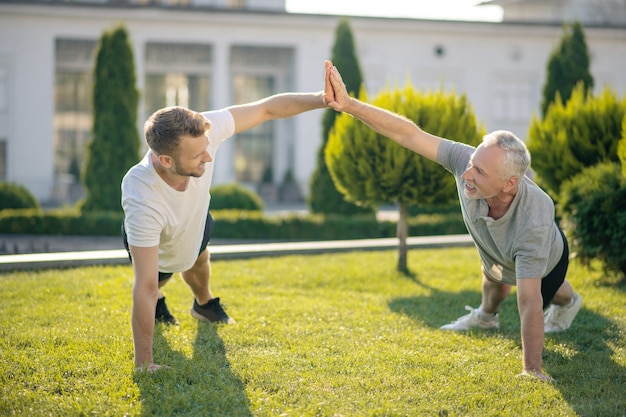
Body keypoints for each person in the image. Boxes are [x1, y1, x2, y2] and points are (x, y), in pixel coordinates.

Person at [324, 60, 582, 382]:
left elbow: (529, 301)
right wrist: (350, 106)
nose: (467, 175)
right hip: (497, 248)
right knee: (493, 286)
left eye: (480, 172)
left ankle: (569, 301)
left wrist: (532, 371)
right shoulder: (464, 162)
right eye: (472, 164)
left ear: (508, 184)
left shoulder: (533, 222)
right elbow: (408, 135)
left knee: (542, 291)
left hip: (548, 259)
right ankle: (486, 318)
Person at [121, 81, 329, 372]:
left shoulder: (206, 129)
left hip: (194, 217)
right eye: (197, 156)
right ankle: (159, 303)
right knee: (155, 281)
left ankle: (203, 305)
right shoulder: (142, 195)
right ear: (165, 160)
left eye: (206, 149)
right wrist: (144, 363)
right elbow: (142, 287)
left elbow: (266, 109)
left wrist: (322, 98)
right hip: (161, 235)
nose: (208, 157)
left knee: (199, 259)